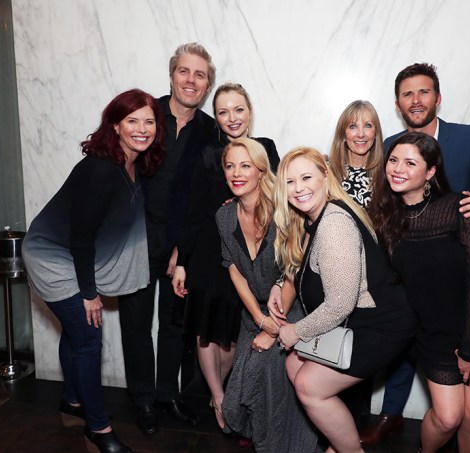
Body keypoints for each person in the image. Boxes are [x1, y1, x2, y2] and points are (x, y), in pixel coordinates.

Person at [361, 62, 470, 446]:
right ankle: (392, 415)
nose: (416, 100)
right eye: (407, 94)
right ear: (398, 103)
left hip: (467, 276)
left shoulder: (469, 139)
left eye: (424, 92)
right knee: (433, 396)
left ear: (437, 97)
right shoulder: (389, 149)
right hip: (422, 294)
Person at [22, 88, 164, 453]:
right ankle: (98, 429)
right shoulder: (99, 169)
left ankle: (71, 402)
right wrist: (89, 293)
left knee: (75, 334)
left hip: (72, 253)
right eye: (132, 121)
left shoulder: (135, 164)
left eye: (149, 121)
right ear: (115, 125)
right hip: (52, 255)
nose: (142, 129)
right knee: (88, 339)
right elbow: (81, 238)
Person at [270, 147, 416, 453]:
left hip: (382, 326)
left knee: (309, 385)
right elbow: (302, 268)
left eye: (306, 177)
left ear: (325, 175)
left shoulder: (334, 223)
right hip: (360, 321)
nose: (299, 188)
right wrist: (279, 283)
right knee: (296, 365)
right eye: (290, 181)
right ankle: (338, 445)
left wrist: (295, 331)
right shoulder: (312, 219)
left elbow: (339, 304)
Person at [117, 42, 218, 436]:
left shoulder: (210, 130)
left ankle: (166, 395)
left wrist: (186, 251)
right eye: (184, 71)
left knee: (175, 325)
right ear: (172, 74)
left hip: (181, 244)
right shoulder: (145, 114)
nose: (191, 80)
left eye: (200, 75)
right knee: (136, 324)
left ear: (207, 85)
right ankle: (142, 400)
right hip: (135, 240)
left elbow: (208, 195)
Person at [171, 83, 280, 430]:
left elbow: (277, 200)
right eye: (223, 111)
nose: (232, 118)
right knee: (206, 328)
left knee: (233, 332)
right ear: (216, 116)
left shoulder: (266, 149)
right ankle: (218, 398)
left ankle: (222, 389)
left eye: (238, 109)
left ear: (249, 111)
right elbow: (194, 210)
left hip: (247, 252)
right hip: (207, 250)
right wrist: (184, 261)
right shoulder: (207, 154)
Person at [214, 138, 318, 452]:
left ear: (262, 171)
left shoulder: (283, 212)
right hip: (254, 315)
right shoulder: (225, 217)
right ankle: (264, 437)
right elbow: (232, 268)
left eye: (245, 165)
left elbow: (293, 271)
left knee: (270, 382)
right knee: (236, 398)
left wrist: (273, 330)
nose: (236, 172)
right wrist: (260, 320)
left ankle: (279, 445)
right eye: (230, 166)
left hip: (291, 312)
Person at [328, 100, 384, 208]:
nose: (361, 134)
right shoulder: (328, 172)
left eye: (368, 125)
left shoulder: (387, 172)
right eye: (353, 126)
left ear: (376, 133)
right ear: (343, 134)